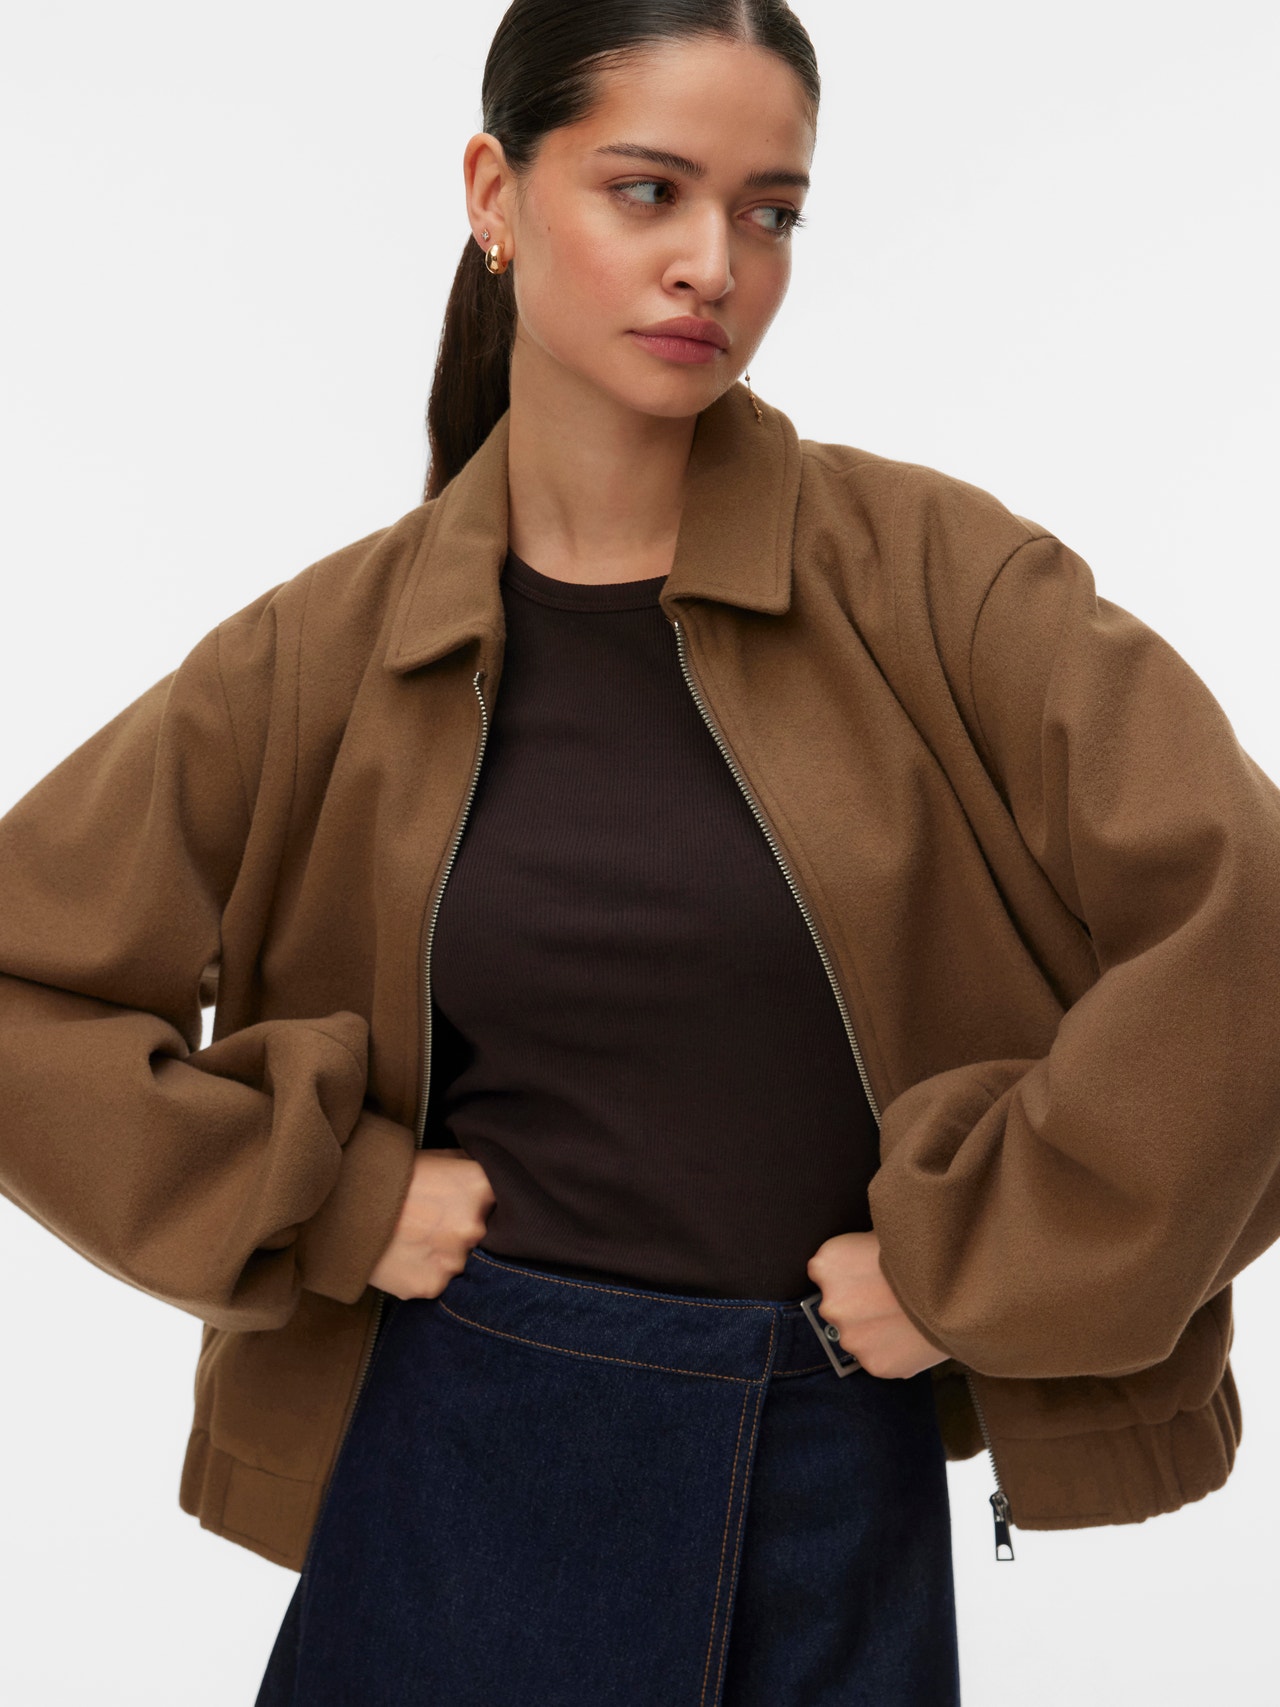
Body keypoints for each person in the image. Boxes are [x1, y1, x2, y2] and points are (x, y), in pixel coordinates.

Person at [2, 1, 1278, 1702]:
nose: (714, 266)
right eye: (648, 190)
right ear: (495, 194)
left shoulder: (943, 584)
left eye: (771, 211)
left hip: (832, 1467)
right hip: (450, 1457)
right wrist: (327, 1200)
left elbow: (1245, 930)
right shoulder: (322, 655)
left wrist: (991, 1267)